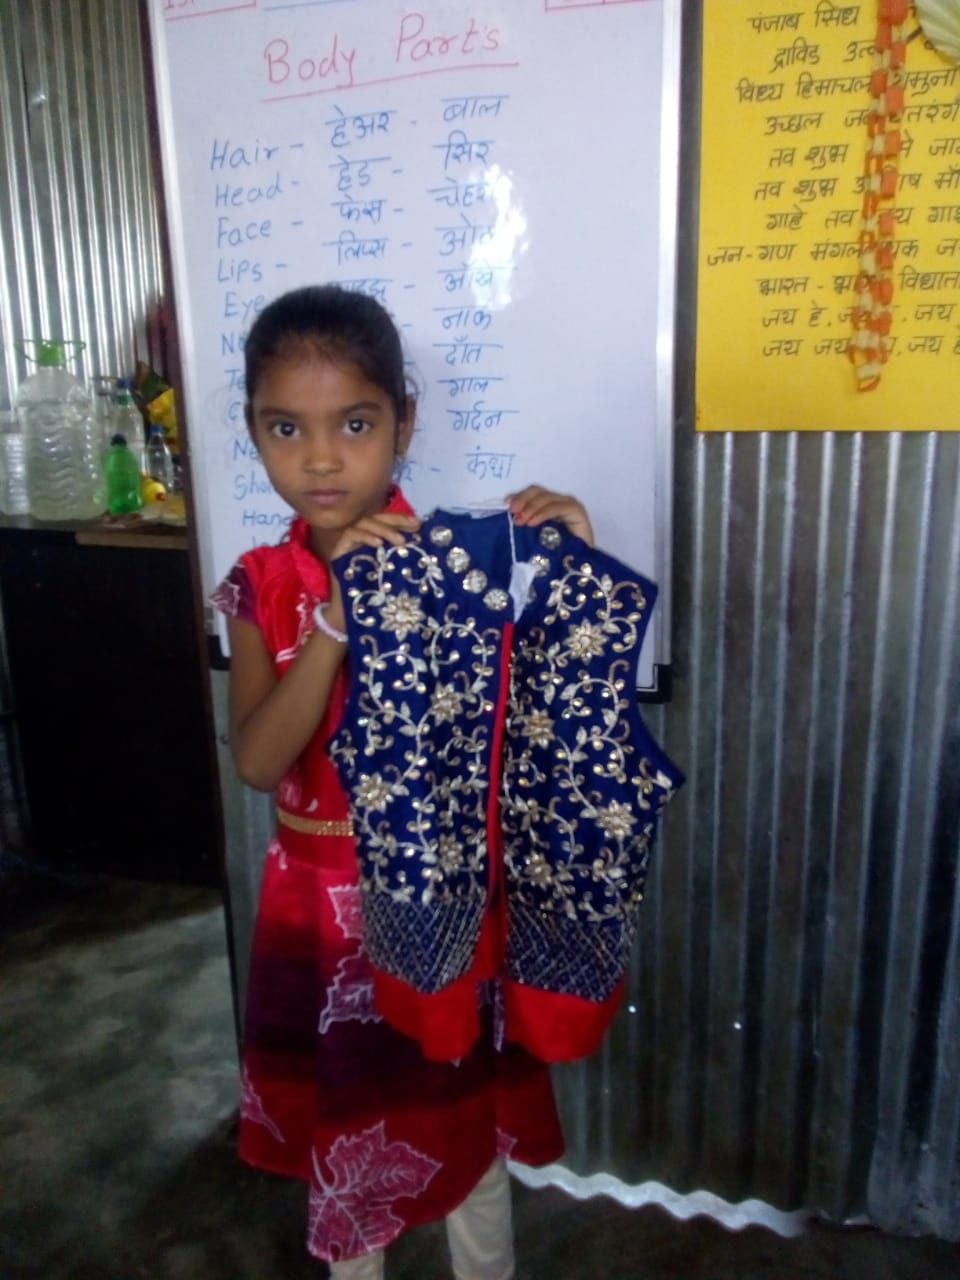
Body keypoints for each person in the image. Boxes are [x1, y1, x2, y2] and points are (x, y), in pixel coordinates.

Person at [212, 283, 594, 1279]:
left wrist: (571, 567)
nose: (321, 458)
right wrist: (335, 621)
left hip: (442, 899)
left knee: (463, 1124)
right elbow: (258, 761)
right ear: (253, 431)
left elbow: (536, 734)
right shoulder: (259, 582)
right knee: (350, 1133)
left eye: (355, 423)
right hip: (318, 911)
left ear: (403, 425)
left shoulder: (462, 565)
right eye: (286, 427)